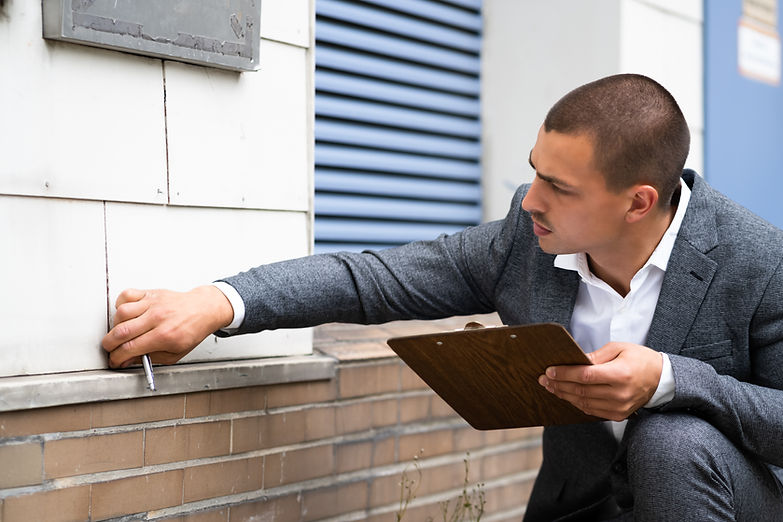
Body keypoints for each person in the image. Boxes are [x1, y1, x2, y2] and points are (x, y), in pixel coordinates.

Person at [102, 74, 783, 521]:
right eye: (533, 174)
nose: (531, 201)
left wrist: (667, 381)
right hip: (578, 508)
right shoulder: (525, 238)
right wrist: (217, 303)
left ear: (636, 202)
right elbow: (369, 277)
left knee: (671, 436)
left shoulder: (756, 259)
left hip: (728, 500)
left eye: (560, 188)